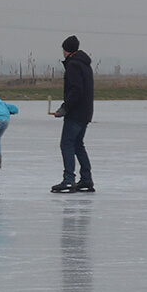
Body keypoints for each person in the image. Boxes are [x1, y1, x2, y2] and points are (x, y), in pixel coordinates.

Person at [52, 35, 94, 193]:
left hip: (76, 113)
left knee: (67, 144)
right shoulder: (84, 64)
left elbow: (76, 89)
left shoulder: (73, 65)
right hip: (85, 112)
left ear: (66, 50)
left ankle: (69, 179)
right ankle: (86, 179)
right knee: (78, 145)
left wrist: (65, 108)